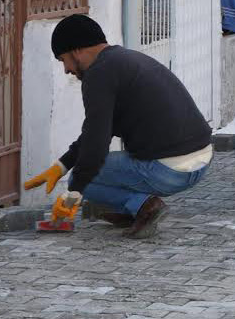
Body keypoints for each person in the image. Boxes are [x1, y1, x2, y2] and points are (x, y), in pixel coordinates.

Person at [22, 14, 213, 239]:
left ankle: (145, 206)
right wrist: (62, 165)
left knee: (82, 178)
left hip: (169, 169)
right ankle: (134, 211)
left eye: (63, 60)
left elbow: (96, 145)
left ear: (75, 51)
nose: (65, 70)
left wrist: (72, 195)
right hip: (200, 162)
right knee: (84, 171)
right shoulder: (124, 61)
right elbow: (95, 131)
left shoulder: (98, 75)